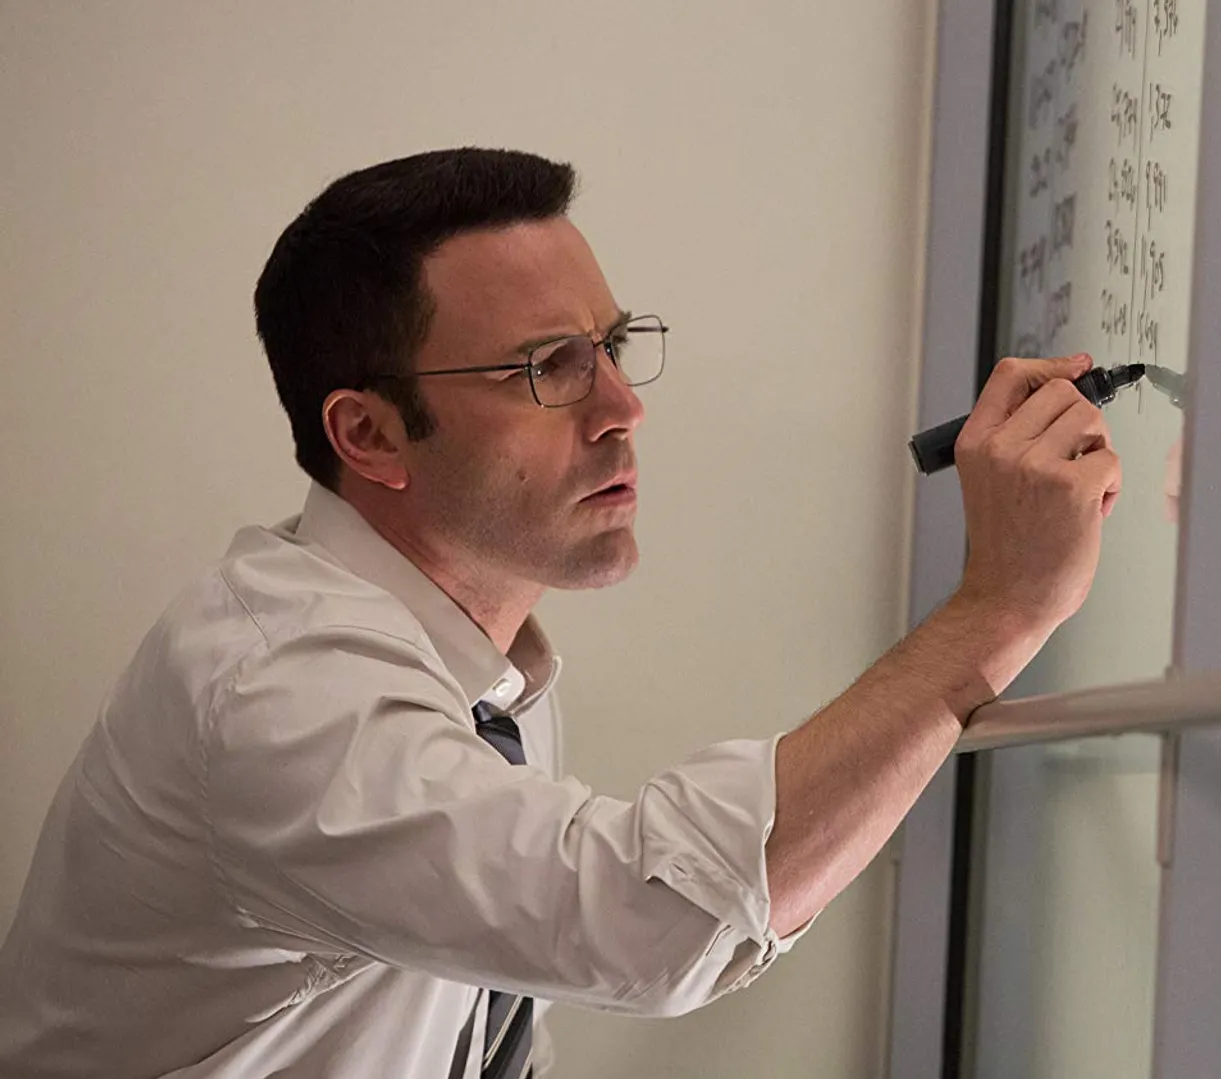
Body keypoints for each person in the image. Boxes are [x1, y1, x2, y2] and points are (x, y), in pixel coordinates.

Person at [0, 148, 1124, 1078]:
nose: (624, 407)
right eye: (549, 368)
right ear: (369, 435)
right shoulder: (285, 692)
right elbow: (645, 922)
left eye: (613, 348)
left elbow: (506, 994)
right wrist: (999, 609)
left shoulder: (480, 675)